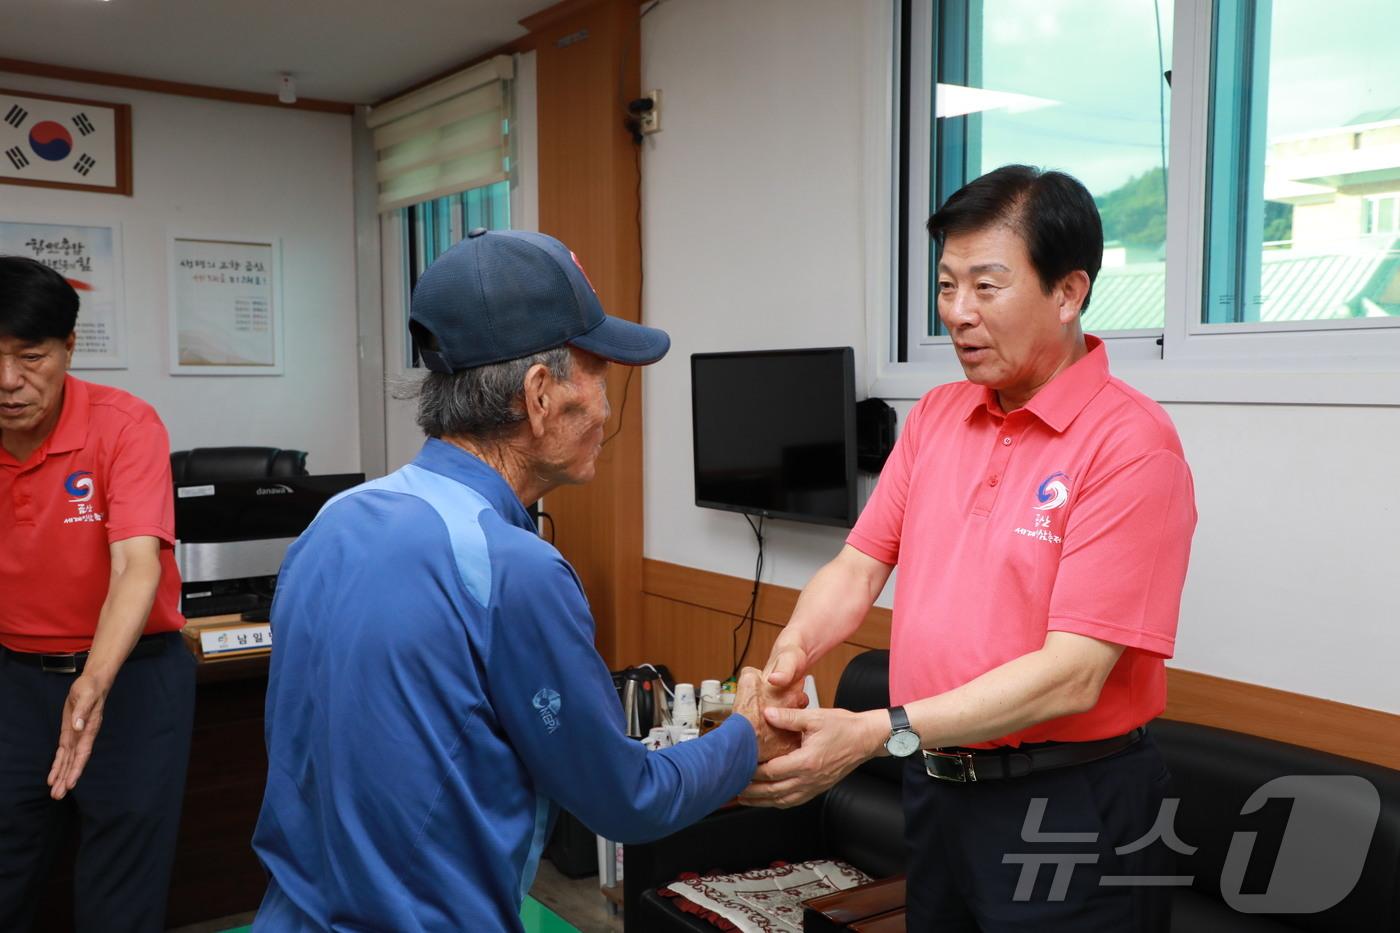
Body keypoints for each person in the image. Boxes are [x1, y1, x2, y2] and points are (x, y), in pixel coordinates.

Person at [251, 228, 800, 932]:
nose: (606, 409)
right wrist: (747, 736)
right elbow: (627, 799)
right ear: (539, 395)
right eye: (598, 377)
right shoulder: (514, 568)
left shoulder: (336, 519)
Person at [743, 165, 1197, 931]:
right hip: (938, 785)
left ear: (1068, 292)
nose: (958, 312)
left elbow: (1073, 675)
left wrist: (875, 731)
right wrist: (791, 654)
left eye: (986, 287)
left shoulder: (1132, 444)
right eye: (947, 286)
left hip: (1067, 800)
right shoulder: (937, 415)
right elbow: (858, 565)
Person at [0, 256, 193, 933]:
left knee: (121, 889)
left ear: (69, 347)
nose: (8, 381)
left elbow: (136, 565)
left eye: (31, 357)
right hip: (13, 680)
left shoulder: (125, 425)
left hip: (132, 678)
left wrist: (94, 682)